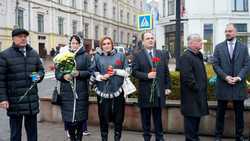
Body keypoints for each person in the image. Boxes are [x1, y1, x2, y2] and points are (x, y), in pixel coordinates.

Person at [0, 28, 45, 141]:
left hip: (31, 101)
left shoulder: (33, 53)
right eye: (20, 36)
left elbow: (41, 70)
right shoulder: (5, 55)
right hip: (16, 100)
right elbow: (1, 80)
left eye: (25, 36)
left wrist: (39, 76)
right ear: (13, 38)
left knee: (32, 132)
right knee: (15, 133)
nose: (23, 38)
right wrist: (3, 99)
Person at [212, 23, 249, 141]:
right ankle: (218, 136)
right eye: (226, 31)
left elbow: (247, 64)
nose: (228, 33)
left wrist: (239, 77)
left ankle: (239, 136)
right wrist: (225, 77)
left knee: (239, 114)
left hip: (239, 85)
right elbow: (215, 65)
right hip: (223, 84)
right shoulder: (218, 47)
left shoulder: (244, 47)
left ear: (235, 32)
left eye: (230, 31)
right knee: (220, 113)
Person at [132, 31, 171, 141]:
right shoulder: (138, 55)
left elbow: (166, 72)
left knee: (158, 119)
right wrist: (147, 75)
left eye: (152, 38)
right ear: (143, 42)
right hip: (146, 93)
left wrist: (167, 87)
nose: (150, 40)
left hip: (158, 93)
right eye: (148, 38)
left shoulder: (161, 54)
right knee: (146, 120)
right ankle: (147, 138)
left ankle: (160, 138)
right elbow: (134, 72)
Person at [89, 36, 130, 141]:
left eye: (108, 43)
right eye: (104, 44)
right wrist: (100, 77)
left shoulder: (120, 56)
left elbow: (128, 71)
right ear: (101, 46)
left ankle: (117, 138)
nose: (106, 46)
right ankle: (104, 138)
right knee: (103, 118)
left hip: (118, 91)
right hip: (102, 92)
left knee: (118, 118)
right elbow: (93, 70)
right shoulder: (97, 56)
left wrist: (116, 71)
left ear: (112, 44)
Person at [55, 34, 91, 141]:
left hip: (81, 92)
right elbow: (57, 73)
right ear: (70, 44)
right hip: (67, 93)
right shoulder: (64, 55)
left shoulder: (85, 56)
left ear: (80, 44)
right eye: (72, 43)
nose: (74, 45)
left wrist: (79, 73)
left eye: (76, 43)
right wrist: (63, 76)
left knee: (80, 120)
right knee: (69, 119)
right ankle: (72, 138)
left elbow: (90, 72)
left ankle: (79, 138)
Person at [179, 34, 209, 141]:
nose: (201, 43)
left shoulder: (198, 55)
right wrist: (198, 89)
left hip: (198, 96)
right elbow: (188, 78)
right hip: (191, 98)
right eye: (199, 41)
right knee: (191, 125)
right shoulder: (186, 56)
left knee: (195, 124)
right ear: (191, 43)